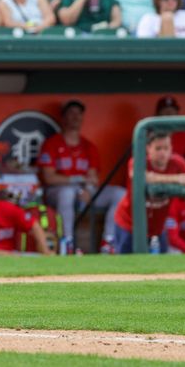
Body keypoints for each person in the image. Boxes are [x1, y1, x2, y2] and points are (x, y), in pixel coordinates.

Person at [38, 99, 125, 253]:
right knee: (67, 193)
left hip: (84, 192)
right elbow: (49, 178)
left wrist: (89, 189)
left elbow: (92, 177)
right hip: (57, 193)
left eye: (79, 113)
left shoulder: (88, 146)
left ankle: (109, 242)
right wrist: (77, 181)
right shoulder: (52, 144)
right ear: (63, 118)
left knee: (119, 193)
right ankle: (67, 243)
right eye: (71, 113)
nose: (75, 117)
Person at [113, 131, 185, 254]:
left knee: (161, 268)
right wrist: (178, 179)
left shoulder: (176, 161)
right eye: (158, 148)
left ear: (171, 148)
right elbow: (142, 176)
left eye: (166, 148)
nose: (163, 153)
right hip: (129, 225)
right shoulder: (138, 161)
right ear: (148, 148)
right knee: (125, 267)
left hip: (158, 228)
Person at [154, 96, 185, 164]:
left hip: (178, 173)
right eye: (166, 111)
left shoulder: (182, 134)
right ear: (158, 114)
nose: (169, 114)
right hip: (155, 172)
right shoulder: (148, 133)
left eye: (172, 111)